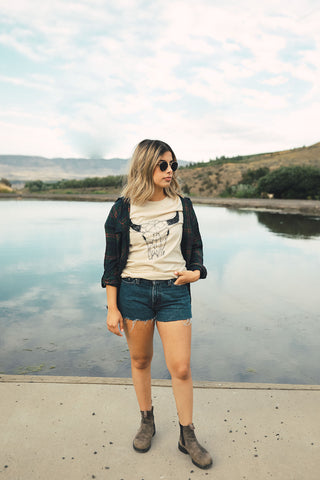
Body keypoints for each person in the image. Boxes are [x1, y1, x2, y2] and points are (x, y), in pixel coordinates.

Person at [101, 139, 212, 470]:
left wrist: (196, 273)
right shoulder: (122, 209)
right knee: (140, 360)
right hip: (132, 292)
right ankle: (147, 421)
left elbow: (196, 250)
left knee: (180, 367)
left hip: (173, 292)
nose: (169, 171)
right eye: (163, 164)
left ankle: (187, 434)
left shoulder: (183, 205)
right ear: (145, 166)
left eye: (173, 165)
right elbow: (110, 264)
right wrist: (112, 307)